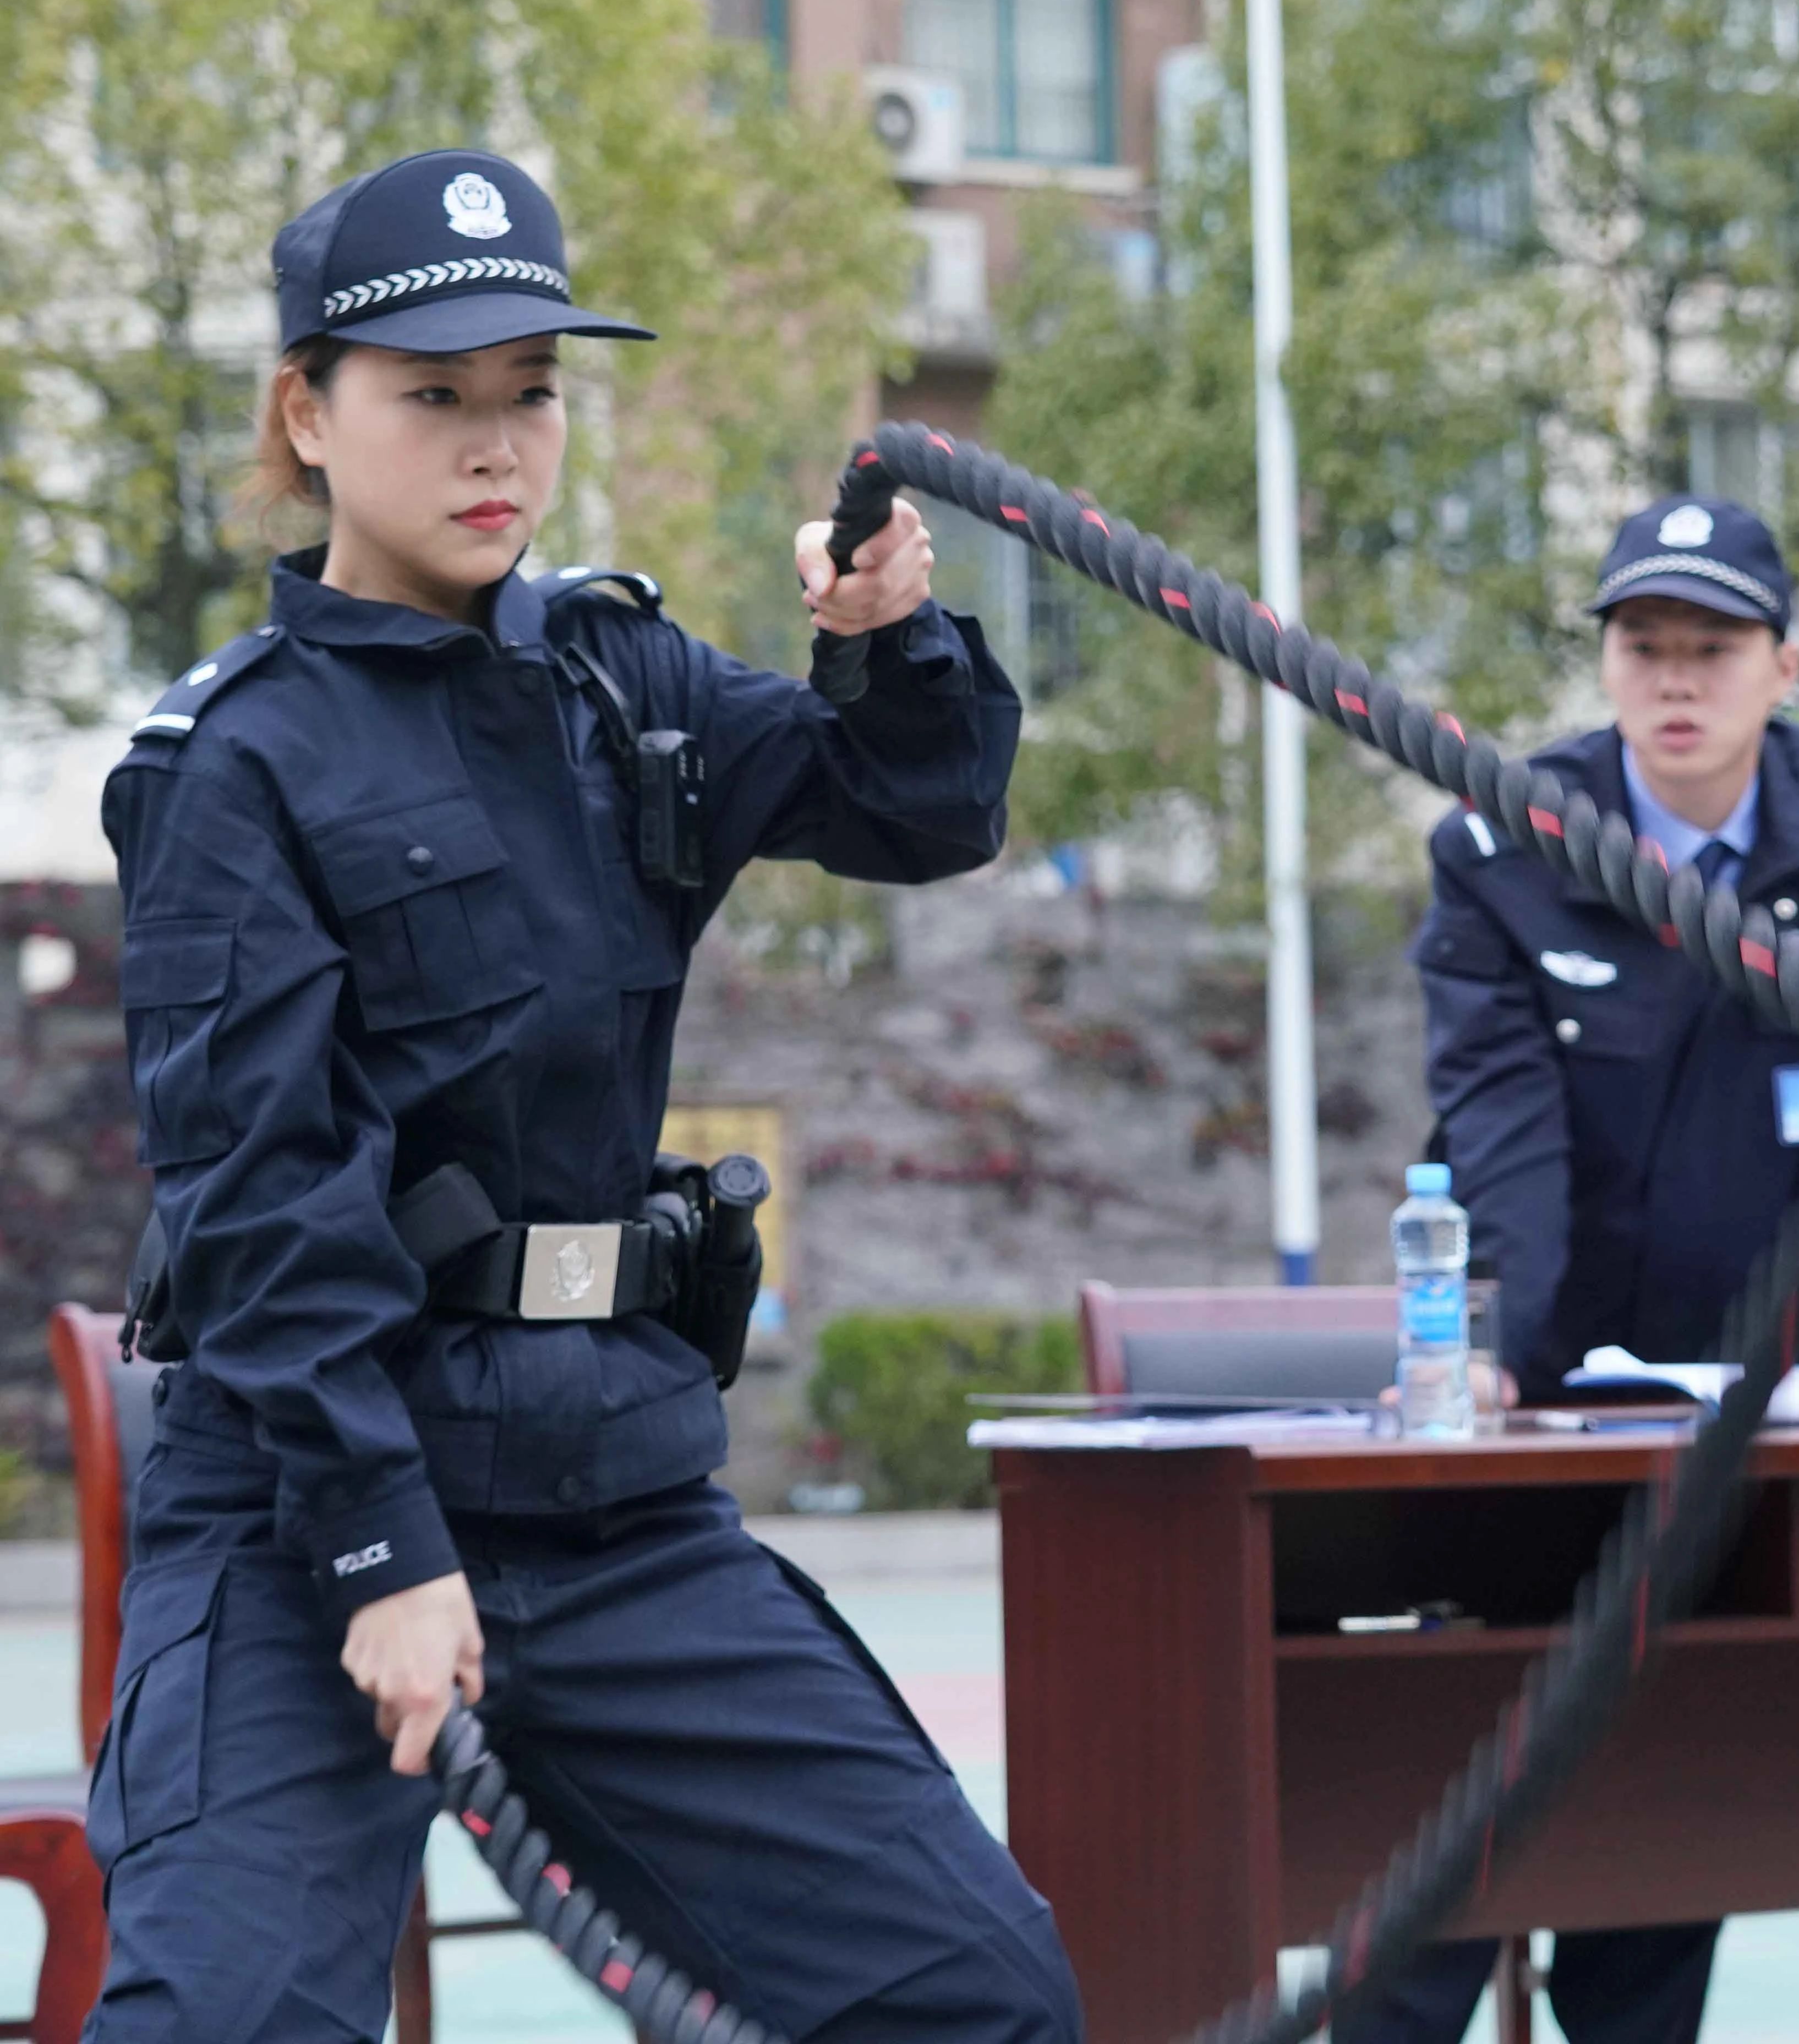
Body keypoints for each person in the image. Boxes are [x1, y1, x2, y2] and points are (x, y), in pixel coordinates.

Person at [85, 149, 1081, 2044]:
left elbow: (921, 807)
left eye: (530, 390)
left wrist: (884, 639)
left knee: (976, 2001)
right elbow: (259, 1191)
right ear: (309, 411)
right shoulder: (233, 763)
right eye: (433, 394)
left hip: (612, 1505)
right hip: (318, 1513)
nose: (495, 443)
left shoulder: (616, 679)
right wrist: (381, 1549)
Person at [1354, 495, 1799, 2044]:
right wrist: (1509, 1366)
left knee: (1669, 1810)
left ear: (1783, 666)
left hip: (1754, 1378)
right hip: (1548, 1376)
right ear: (1606, 664)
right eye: (1643, 646)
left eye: (1714, 649)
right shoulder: (1503, 840)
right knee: (1453, 1809)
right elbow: (1499, 1124)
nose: (1677, 681)